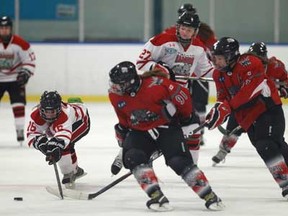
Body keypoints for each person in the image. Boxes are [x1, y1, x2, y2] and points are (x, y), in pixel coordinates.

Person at [108, 61, 224, 211]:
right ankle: (157, 196)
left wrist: (187, 120)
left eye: (119, 84)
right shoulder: (115, 95)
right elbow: (123, 118)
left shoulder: (157, 84)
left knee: (179, 161)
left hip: (167, 127)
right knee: (133, 157)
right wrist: (123, 136)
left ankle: (209, 195)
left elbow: (184, 96)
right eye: (114, 83)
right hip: (140, 132)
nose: (114, 87)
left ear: (131, 82)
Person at [206, 37, 288, 199]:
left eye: (219, 58)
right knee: (271, 145)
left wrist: (227, 107)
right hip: (247, 117)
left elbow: (251, 90)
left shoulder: (251, 63)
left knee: (267, 145)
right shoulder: (218, 74)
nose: (216, 62)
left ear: (230, 56)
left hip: (268, 110)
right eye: (215, 58)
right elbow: (223, 97)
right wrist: (218, 112)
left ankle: (285, 182)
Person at [135, 11, 214, 166]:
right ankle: (140, 156)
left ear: (195, 32)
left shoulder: (198, 48)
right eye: (183, 28)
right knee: (152, 129)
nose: (185, 32)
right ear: (178, 27)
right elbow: (140, 63)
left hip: (180, 96)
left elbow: (206, 71)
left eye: (189, 30)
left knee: (194, 130)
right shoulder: (162, 40)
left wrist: (229, 73)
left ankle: (192, 166)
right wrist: (160, 68)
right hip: (159, 94)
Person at [164, 3, 217, 145]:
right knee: (177, 102)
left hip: (199, 73)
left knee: (199, 103)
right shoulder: (171, 31)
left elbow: (214, 50)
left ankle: (198, 132)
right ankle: (176, 130)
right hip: (178, 74)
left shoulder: (204, 31)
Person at [26, 91, 90, 189]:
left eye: (52, 111)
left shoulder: (65, 114)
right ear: (41, 109)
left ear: (59, 109)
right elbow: (32, 134)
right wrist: (41, 144)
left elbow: (62, 137)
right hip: (60, 126)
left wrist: (55, 147)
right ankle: (76, 170)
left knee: (63, 146)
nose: (49, 115)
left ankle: (69, 173)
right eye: (47, 111)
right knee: (60, 143)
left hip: (81, 121)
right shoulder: (35, 114)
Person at [0, 16, 36, 144]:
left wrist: (26, 72)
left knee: (18, 103)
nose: (4, 30)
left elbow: (29, 59)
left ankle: (20, 130)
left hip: (15, 78)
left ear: (11, 29)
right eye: (2, 28)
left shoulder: (20, 43)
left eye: (6, 28)